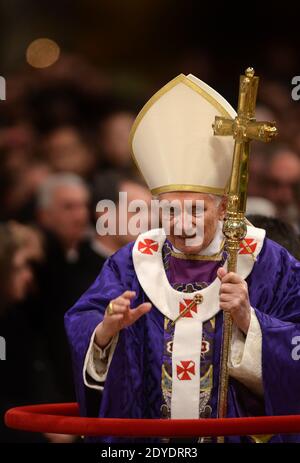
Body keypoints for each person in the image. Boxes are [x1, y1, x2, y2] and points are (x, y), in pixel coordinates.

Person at [65, 74, 300, 443]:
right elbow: (84, 319)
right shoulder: (131, 264)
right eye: (169, 211)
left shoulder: (269, 263)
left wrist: (249, 322)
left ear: (223, 208)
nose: (181, 223)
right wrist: (106, 332)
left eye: (194, 210)